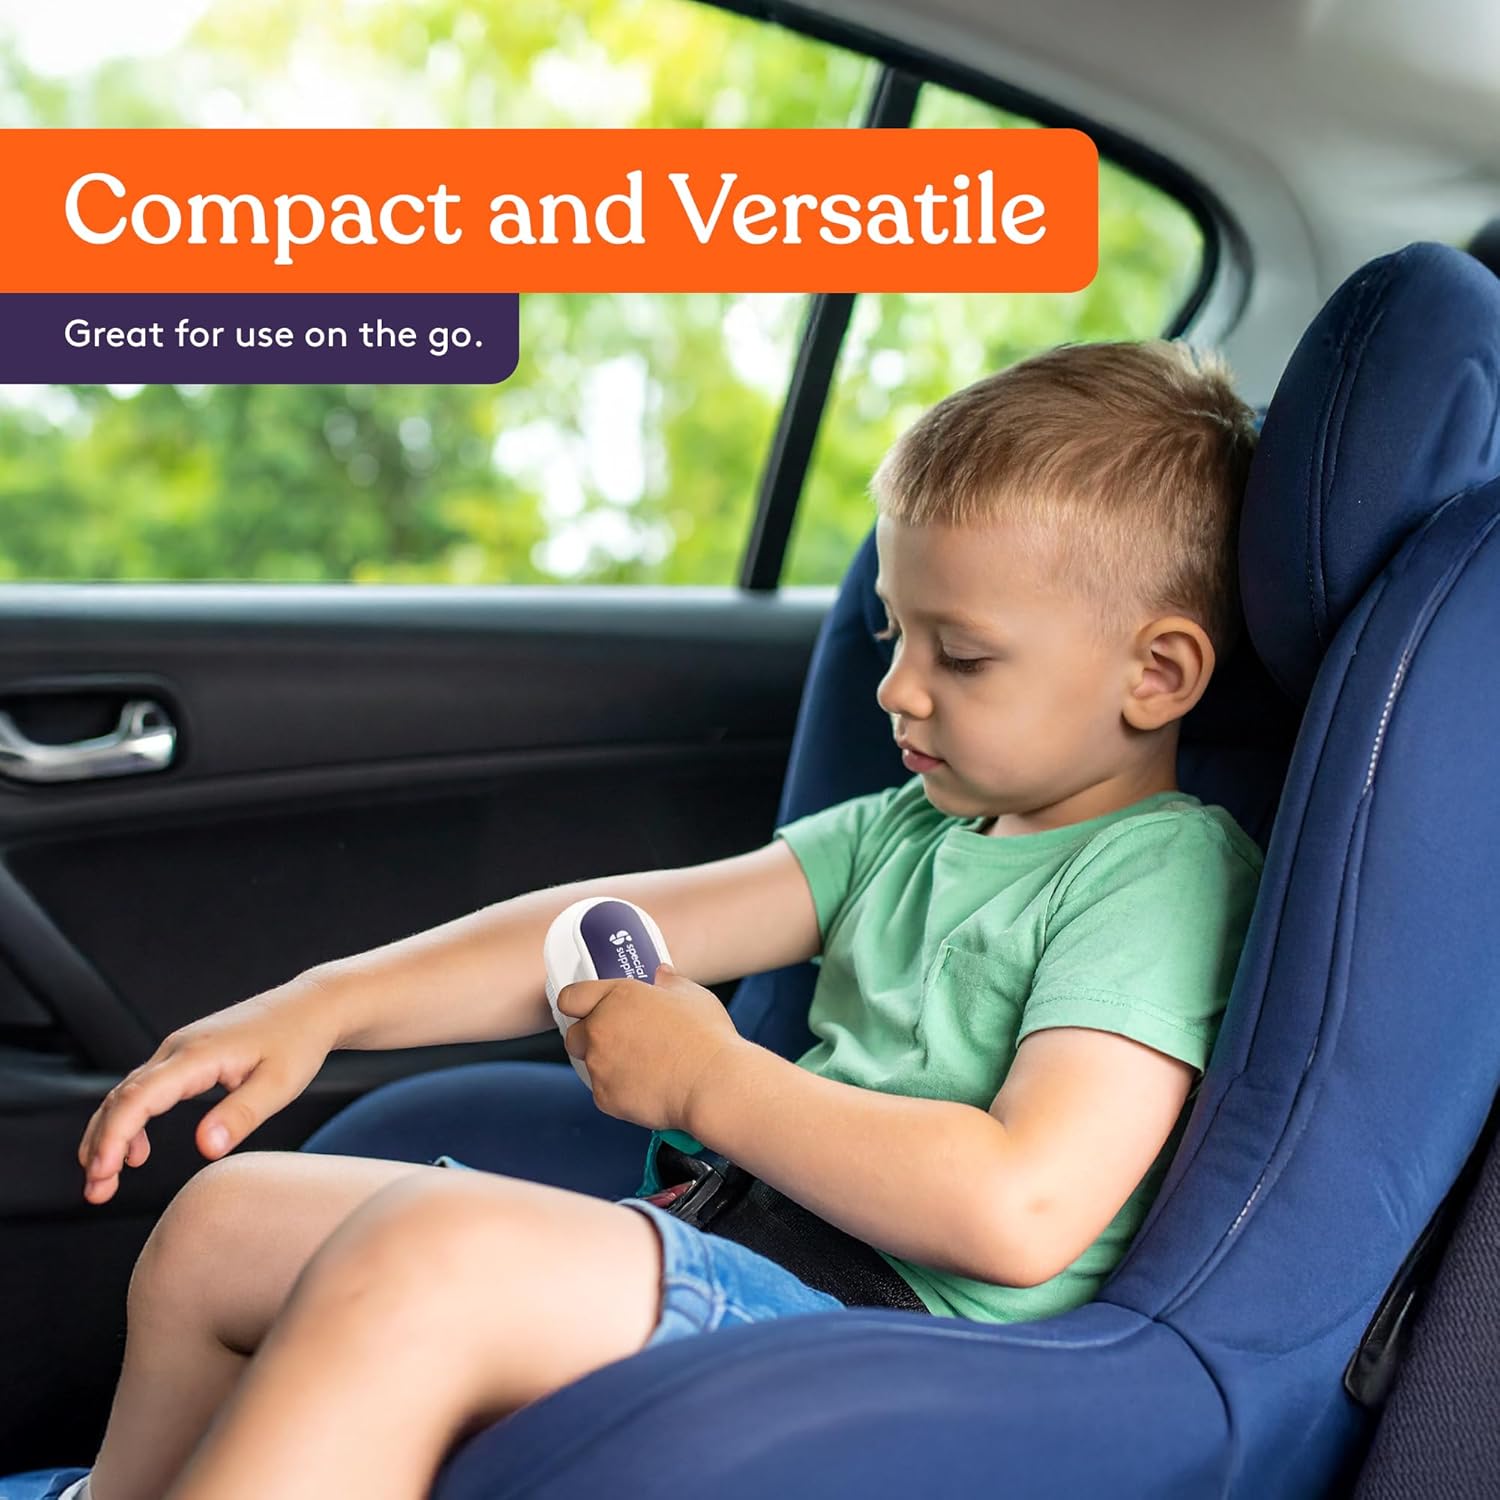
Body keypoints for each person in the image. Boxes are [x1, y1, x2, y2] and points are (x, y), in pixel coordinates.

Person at [24, 339, 1264, 1500]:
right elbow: (590, 926)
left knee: (428, 1252)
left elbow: (1020, 1213)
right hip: (745, 1246)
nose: (894, 686)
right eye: (893, 632)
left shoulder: (1157, 877)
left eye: (964, 656)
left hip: (901, 1343)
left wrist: (709, 1084)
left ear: (1155, 674)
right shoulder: (904, 833)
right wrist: (324, 1006)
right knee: (224, 1223)